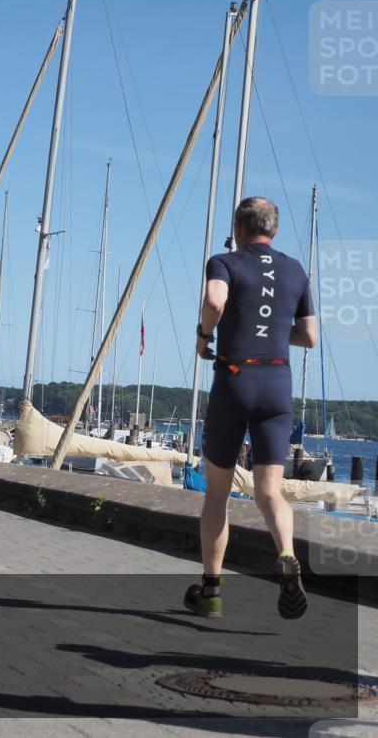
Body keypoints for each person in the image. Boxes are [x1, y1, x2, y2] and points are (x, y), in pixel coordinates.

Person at [186, 197, 317, 620]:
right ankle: (286, 553)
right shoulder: (296, 269)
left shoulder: (224, 261)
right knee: (269, 490)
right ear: (273, 231)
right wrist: (276, 331)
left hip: (236, 380)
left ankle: (211, 591)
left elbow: (214, 302)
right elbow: (310, 335)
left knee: (218, 494)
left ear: (238, 228)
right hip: (277, 383)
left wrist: (204, 335)